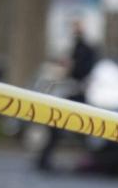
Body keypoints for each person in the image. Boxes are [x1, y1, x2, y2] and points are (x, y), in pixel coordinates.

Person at [37, 20, 98, 172]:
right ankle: (46, 160)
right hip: (67, 94)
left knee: (79, 131)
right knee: (62, 130)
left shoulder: (83, 49)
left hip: (72, 93)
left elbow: (81, 71)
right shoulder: (73, 48)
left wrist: (70, 68)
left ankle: (88, 162)